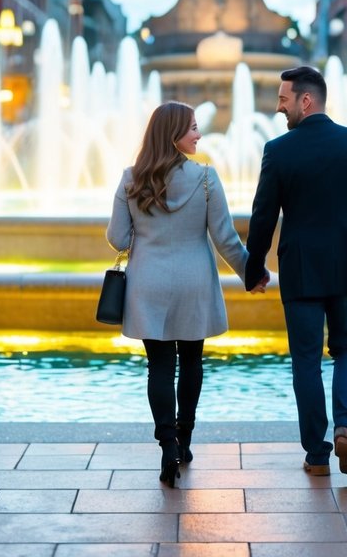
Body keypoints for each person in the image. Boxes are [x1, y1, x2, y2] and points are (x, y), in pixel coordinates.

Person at [244, 66, 347, 478]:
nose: (279, 108)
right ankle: (346, 426)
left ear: (305, 100)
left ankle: (316, 454)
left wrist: (253, 269)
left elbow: (262, 218)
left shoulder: (278, 150)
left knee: (306, 361)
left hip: (301, 269)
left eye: (283, 99)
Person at [105, 101, 254, 488]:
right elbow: (225, 238)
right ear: (172, 133)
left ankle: (167, 446)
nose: (199, 135)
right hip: (194, 283)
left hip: (147, 283)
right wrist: (251, 273)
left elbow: (117, 238)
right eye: (192, 128)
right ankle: (184, 440)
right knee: (191, 362)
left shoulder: (130, 178)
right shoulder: (206, 178)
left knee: (158, 367)